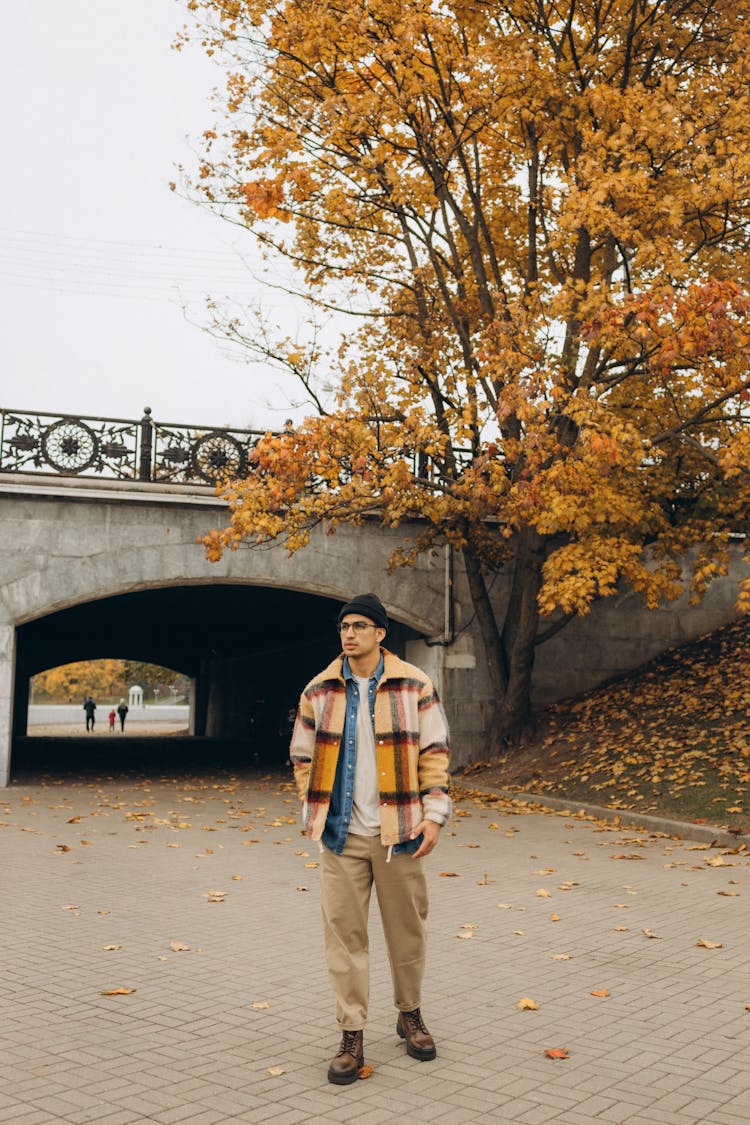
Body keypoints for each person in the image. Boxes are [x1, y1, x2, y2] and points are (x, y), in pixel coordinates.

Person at [290, 592, 452, 1085]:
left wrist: (434, 815)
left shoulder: (414, 684)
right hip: (341, 836)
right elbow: (301, 757)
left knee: (408, 933)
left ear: (381, 633)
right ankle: (351, 1032)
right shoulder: (319, 691)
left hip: (399, 834)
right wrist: (314, 807)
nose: (349, 634)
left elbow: (435, 752)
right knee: (345, 940)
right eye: (344, 627)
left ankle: (410, 1014)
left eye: (360, 626)